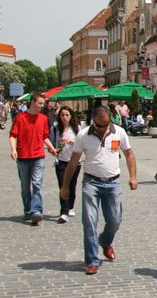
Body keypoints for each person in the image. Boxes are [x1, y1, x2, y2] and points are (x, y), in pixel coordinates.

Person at [60, 106, 137, 275]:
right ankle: (92, 260)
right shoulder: (83, 135)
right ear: (93, 121)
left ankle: (105, 241)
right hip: (91, 183)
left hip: (113, 183)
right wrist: (65, 187)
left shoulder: (119, 132)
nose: (104, 129)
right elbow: (73, 162)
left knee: (115, 220)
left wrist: (132, 176)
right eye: (100, 126)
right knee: (89, 222)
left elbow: (129, 154)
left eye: (106, 125)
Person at [9, 94, 57, 225]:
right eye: (40, 103)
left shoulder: (43, 118)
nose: (43, 106)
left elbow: (44, 136)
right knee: (25, 186)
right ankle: (27, 209)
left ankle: (36, 211)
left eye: (43, 103)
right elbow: (13, 135)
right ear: (33, 102)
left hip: (38, 156)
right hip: (23, 156)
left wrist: (52, 148)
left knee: (37, 184)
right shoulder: (20, 117)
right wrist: (13, 150)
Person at [50, 106, 81, 223]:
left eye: (67, 115)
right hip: (61, 161)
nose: (64, 117)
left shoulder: (77, 128)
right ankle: (64, 212)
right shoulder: (56, 129)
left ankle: (71, 207)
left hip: (74, 161)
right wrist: (55, 149)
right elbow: (51, 144)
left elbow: (82, 143)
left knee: (72, 186)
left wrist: (73, 142)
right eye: (62, 115)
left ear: (71, 116)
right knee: (63, 185)